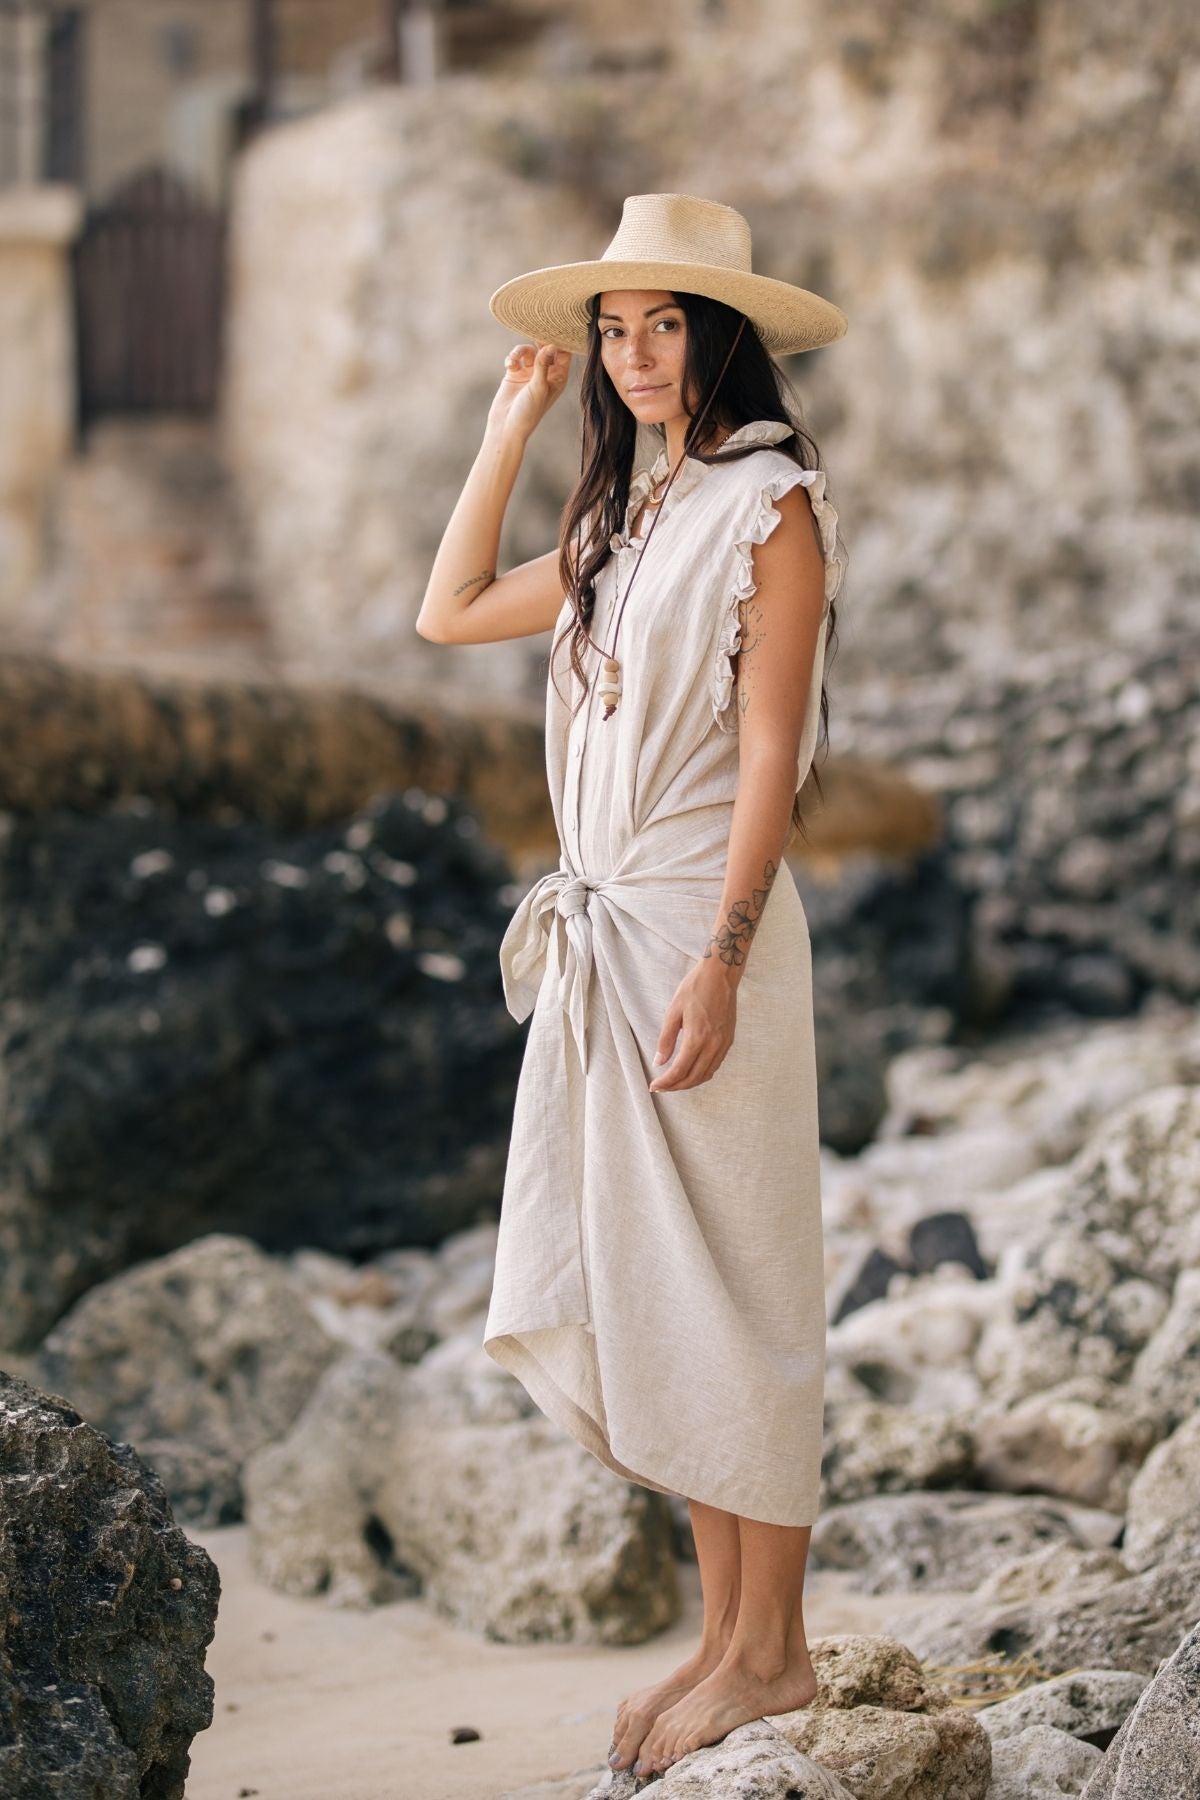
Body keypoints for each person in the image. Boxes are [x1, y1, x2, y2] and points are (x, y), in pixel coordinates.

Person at [416, 192, 848, 1781]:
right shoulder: (624, 519)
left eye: (665, 322)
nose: (637, 353)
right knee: (664, 1299)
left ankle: (779, 1655)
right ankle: (731, 1638)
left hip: (698, 928)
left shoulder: (769, 507)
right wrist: (510, 423)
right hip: (608, 934)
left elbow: (766, 758)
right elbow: (447, 611)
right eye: (614, 329)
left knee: (742, 1287)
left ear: (720, 334)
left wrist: (724, 960)